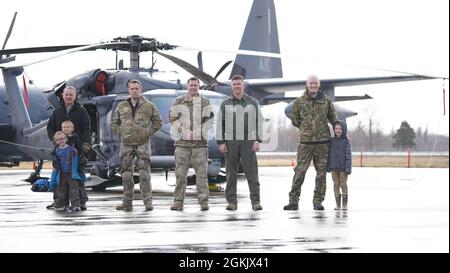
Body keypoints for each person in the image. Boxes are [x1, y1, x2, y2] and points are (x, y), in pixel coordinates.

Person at [283, 75, 336, 211]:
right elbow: (295, 119)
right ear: (307, 85)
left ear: (319, 85)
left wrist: (342, 134)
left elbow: (333, 118)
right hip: (305, 143)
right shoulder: (299, 102)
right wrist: (306, 129)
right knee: (300, 171)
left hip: (323, 143)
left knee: (321, 174)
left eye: (315, 83)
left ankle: (318, 201)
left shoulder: (326, 101)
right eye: (311, 83)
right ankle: (293, 201)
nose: (313, 86)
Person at [111, 79, 163, 211]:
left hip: (142, 144)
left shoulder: (149, 105)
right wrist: (121, 131)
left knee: (144, 174)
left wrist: (147, 133)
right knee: (126, 175)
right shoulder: (122, 106)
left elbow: (158, 122)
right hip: (127, 144)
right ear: (129, 90)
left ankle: (148, 202)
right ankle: (127, 202)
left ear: (141, 90)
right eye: (132, 88)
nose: (134, 90)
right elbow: (114, 123)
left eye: (136, 88)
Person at [216, 74, 264, 211]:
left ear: (243, 85)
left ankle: (255, 201)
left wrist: (257, 140)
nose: (237, 86)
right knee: (231, 173)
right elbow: (220, 123)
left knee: (252, 173)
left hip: (248, 141)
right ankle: (232, 202)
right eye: (234, 84)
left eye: (239, 84)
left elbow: (259, 122)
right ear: (232, 86)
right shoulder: (225, 103)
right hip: (230, 142)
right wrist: (221, 142)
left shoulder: (252, 102)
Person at [169, 77, 214, 211]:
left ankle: (203, 202)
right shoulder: (179, 101)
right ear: (187, 86)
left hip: (200, 145)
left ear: (198, 87)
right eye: (191, 85)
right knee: (180, 175)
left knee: (201, 176)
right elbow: (172, 119)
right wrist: (183, 132)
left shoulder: (205, 102)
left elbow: (210, 121)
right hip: (182, 145)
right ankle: (178, 202)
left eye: (195, 85)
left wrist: (197, 133)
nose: (193, 87)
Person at [46, 86, 91, 210]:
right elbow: (50, 128)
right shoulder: (57, 111)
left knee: (78, 176)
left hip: (77, 150)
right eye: (66, 95)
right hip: (60, 151)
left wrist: (86, 144)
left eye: (71, 95)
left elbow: (87, 129)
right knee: (59, 177)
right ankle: (59, 202)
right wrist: (55, 139)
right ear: (62, 96)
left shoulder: (82, 111)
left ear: (75, 96)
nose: (68, 97)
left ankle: (81, 202)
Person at [47, 120, 88, 210]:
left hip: (75, 167)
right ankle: (61, 203)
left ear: (72, 129)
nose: (66, 129)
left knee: (77, 185)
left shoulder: (76, 138)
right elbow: (56, 155)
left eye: (68, 127)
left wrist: (81, 160)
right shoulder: (58, 144)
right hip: (62, 169)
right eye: (64, 127)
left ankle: (80, 203)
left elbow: (80, 151)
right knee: (60, 186)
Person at [327, 120, 352, 210]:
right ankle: (338, 205)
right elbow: (329, 154)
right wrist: (328, 166)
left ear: (344, 130)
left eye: (340, 129)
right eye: (336, 129)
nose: (338, 130)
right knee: (335, 185)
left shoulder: (346, 141)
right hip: (334, 167)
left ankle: (344, 205)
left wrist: (348, 168)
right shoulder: (332, 141)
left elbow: (348, 156)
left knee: (343, 184)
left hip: (343, 168)